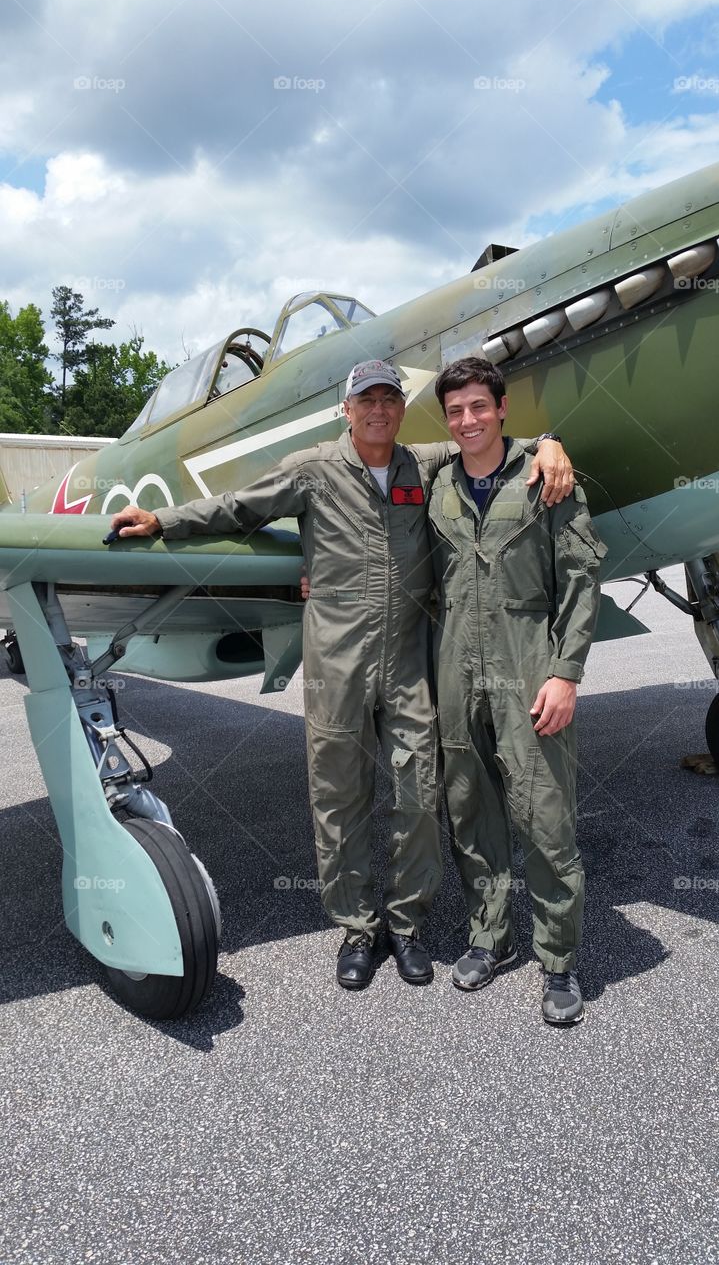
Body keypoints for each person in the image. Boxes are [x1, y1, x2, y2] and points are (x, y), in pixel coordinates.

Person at [110, 358, 573, 992]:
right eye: (366, 400)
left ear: (401, 410)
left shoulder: (424, 463)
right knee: (339, 797)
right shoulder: (314, 468)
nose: (378, 409)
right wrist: (166, 521)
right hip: (337, 664)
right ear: (346, 410)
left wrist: (549, 445)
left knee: (420, 793)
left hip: (408, 663)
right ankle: (359, 928)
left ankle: (407, 926)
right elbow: (239, 508)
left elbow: (490, 444)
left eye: (389, 398)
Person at [428, 356, 605, 1026]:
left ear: (501, 408)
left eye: (478, 406)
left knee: (545, 815)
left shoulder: (545, 477)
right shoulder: (438, 483)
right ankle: (489, 935)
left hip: (527, 661)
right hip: (455, 668)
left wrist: (565, 673)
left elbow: (582, 578)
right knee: (470, 812)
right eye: (455, 411)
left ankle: (558, 962)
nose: (467, 419)